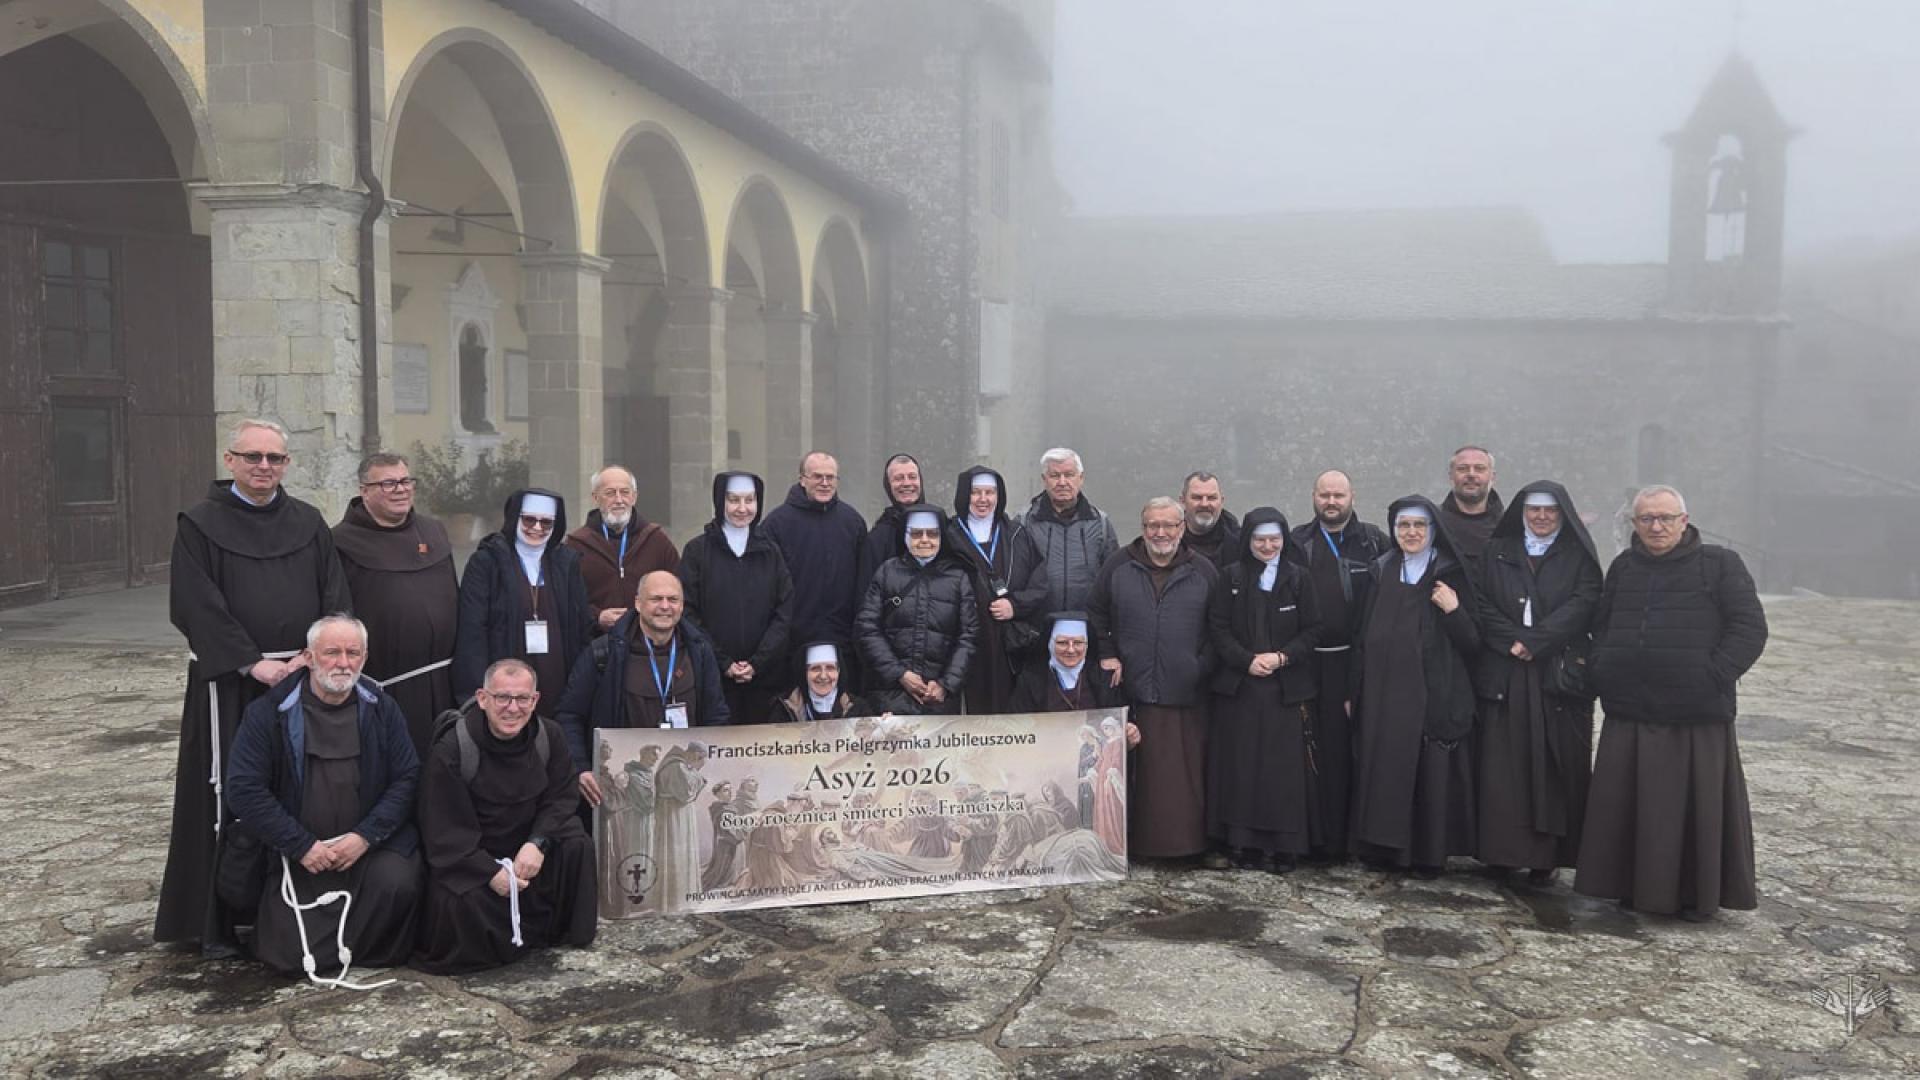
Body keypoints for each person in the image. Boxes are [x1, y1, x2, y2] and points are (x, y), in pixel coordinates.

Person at [159, 418, 352, 955]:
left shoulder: (308, 522)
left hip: (302, 678)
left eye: (275, 458)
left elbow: (334, 592)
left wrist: (315, 655)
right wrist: (251, 664)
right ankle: (222, 917)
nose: (264, 466)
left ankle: (292, 907)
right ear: (230, 460)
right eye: (253, 456)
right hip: (232, 683)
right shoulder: (199, 525)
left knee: (301, 789)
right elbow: (195, 603)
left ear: (286, 464)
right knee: (229, 791)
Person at [1576, 485, 1767, 920]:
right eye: (1647, 519)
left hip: (1695, 714)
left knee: (1692, 813)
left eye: (1665, 518)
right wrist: (1603, 667)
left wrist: (1712, 676)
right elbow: (1603, 625)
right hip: (1630, 710)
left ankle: (1693, 895)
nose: (1656, 527)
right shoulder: (1624, 567)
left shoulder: (1720, 564)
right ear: (1634, 524)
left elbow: (1749, 628)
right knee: (1630, 808)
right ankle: (1628, 887)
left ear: (1684, 520)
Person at [223, 616, 422, 983]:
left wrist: (365, 836)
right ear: (309, 656)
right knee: (286, 954)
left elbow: (406, 778)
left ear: (364, 658)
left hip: (364, 850)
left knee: (399, 884)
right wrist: (300, 845)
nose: (343, 663)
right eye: (332, 652)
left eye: (353, 653)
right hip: (299, 855)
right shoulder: (269, 713)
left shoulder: (382, 708)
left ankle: (356, 951)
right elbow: (244, 789)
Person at [415, 659, 595, 974]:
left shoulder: (549, 736)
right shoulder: (453, 748)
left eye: (522, 698)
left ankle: (557, 933)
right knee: (457, 901)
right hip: (475, 855)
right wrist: (489, 872)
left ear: (535, 700)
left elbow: (561, 797)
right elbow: (444, 828)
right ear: (482, 698)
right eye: (502, 698)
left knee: (577, 844)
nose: (513, 708)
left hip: (528, 850)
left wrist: (537, 843)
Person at [1473, 481, 1603, 881]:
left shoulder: (1578, 555)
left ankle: (1547, 858)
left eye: (1550, 510)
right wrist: (1511, 640)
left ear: (1562, 514)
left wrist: (1536, 641)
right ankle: (1502, 852)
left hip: (1555, 675)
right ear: (1522, 512)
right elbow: (1479, 601)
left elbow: (1585, 602)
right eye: (1534, 510)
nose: (1542, 517)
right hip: (1506, 672)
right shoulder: (1497, 551)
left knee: (1554, 767)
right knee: (1503, 769)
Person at [1348, 496, 1482, 877]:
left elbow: (1474, 643)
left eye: (1419, 526)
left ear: (1433, 531)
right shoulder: (1380, 570)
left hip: (1430, 690)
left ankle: (1426, 855)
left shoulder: (1451, 575)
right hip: (1382, 693)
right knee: (1382, 767)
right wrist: (1353, 689)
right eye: (1403, 526)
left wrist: (1454, 610)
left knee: (1426, 773)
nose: (1411, 533)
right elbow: (1361, 635)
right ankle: (1380, 848)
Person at [1087, 496, 1218, 862]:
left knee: (1182, 777)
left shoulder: (1203, 570)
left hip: (1186, 691)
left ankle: (1188, 847)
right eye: (1152, 526)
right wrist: (1107, 652)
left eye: (1168, 525)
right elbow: (1096, 612)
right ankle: (1137, 847)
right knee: (1139, 776)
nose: (1160, 533)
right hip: (1134, 689)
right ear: (1143, 528)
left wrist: (1199, 665)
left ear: (1182, 528)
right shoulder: (1118, 565)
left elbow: (1219, 626)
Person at [554, 570, 731, 821]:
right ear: (638, 604)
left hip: (679, 787)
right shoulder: (604, 653)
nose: (665, 607)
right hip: (624, 789)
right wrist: (581, 768)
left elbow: (716, 715)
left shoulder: (699, 651)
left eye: (673, 599)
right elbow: (569, 714)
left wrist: (707, 764)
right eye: (656, 599)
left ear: (682, 606)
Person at [1206, 509, 1324, 873]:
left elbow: (1314, 629)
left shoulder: (1300, 578)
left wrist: (1282, 657)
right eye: (1260, 539)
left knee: (1282, 771)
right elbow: (1217, 627)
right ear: (1248, 541)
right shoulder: (1231, 577)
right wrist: (1246, 661)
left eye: (1274, 539)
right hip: (1241, 687)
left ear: (1284, 540)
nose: (1268, 546)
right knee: (1242, 768)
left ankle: (1285, 847)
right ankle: (1245, 844)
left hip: (1285, 690)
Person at [1287, 468, 1391, 859]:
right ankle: (1311, 837)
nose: (1331, 502)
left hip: (1354, 661)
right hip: (1306, 661)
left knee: (1349, 750)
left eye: (1338, 495)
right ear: (1314, 497)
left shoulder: (1374, 542)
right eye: (1324, 495)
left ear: (1352, 497)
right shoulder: (1297, 542)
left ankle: (1350, 839)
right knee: (1307, 750)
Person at [333, 452, 458, 757]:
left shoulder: (434, 531)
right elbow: (337, 614)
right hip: (385, 687)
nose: (401, 489)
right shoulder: (340, 542)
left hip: (445, 682)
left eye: (405, 481)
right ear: (364, 491)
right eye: (388, 484)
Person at [452, 489, 592, 720]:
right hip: (505, 685)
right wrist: (476, 696)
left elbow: (580, 627)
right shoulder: (486, 563)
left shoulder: (566, 563)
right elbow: (473, 632)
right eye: (529, 520)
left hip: (557, 681)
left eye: (546, 522)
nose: (537, 528)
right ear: (514, 518)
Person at [678, 471, 793, 723]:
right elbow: (687, 612)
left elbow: (784, 611)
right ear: (720, 501)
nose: (742, 508)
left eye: (749, 500)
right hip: (712, 678)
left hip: (765, 681)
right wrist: (723, 662)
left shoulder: (771, 552)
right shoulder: (697, 551)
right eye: (734, 500)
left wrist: (758, 663)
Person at [856, 505, 979, 714]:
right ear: (905, 536)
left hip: (939, 698)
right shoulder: (887, 572)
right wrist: (899, 674)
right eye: (916, 533)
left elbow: (969, 636)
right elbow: (867, 628)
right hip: (890, 695)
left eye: (932, 534)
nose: (924, 540)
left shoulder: (958, 579)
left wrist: (946, 684)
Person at [947, 466, 1048, 713]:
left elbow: (1041, 584)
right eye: (976, 492)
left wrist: (1015, 605)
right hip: (963, 641)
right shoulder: (948, 535)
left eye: (990, 492)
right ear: (964, 495)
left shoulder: (1017, 534)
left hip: (1008, 646)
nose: (983, 499)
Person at [764, 451, 871, 651]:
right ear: (802, 480)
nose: (825, 483)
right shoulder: (776, 524)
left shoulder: (853, 522)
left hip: (842, 640)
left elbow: (862, 583)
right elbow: (767, 587)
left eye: (830, 477)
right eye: (817, 476)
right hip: (791, 642)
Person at [565, 466, 680, 633]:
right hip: (595, 640)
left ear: (634, 497)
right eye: (610, 493)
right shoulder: (576, 544)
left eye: (625, 492)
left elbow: (678, 590)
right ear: (595, 498)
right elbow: (567, 598)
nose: (619, 500)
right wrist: (596, 616)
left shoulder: (656, 540)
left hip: (646, 639)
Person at [1022, 447, 1121, 613]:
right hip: (1036, 623)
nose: (1062, 482)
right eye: (1055, 475)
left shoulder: (1100, 523)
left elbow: (1114, 577)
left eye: (1069, 475)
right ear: (1044, 479)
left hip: (1087, 622)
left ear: (1081, 478)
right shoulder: (1025, 522)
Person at [1008, 613, 1122, 714]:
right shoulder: (1031, 680)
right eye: (1062, 643)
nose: (1071, 650)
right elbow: (1017, 723)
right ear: (1050, 644)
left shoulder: (1103, 678)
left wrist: (1127, 727)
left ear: (1087, 644)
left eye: (1078, 642)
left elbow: (1117, 719)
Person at [652, 743, 710, 909]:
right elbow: (685, 793)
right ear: (695, 754)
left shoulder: (678, 765)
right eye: (700, 758)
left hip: (678, 812)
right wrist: (696, 771)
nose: (700, 761)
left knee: (681, 852)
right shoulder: (677, 766)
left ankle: (681, 898)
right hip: (674, 814)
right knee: (677, 853)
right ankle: (676, 900)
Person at [1438, 446, 1504, 581]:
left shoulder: (1509, 527)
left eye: (1479, 468)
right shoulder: (1434, 524)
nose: (1471, 474)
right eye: (1463, 469)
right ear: (1451, 476)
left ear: (1492, 477)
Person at [862, 453, 923, 589]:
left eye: (912, 477)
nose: (907, 483)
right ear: (888, 485)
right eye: (898, 478)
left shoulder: (938, 526)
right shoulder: (878, 538)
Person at [770, 642, 867, 722]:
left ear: (838, 671)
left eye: (830, 668)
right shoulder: (784, 709)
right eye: (815, 668)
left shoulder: (858, 708)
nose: (823, 676)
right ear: (804, 672)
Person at [1178, 471, 1241, 567]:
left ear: (1222, 501)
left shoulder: (1241, 544)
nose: (1204, 504)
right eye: (1197, 497)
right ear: (1182, 501)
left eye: (1211, 498)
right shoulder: (1165, 539)